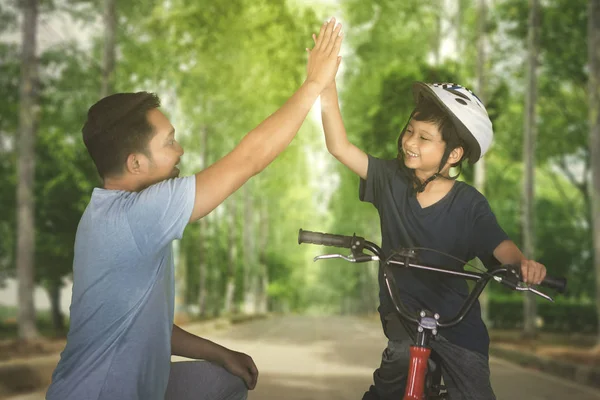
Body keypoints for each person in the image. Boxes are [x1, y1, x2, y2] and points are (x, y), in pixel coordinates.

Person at [46, 18, 343, 400]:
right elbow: (247, 159)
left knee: (222, 379)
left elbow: (148, 327)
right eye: (169, 142)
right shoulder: (135, 217)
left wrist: (223, 353)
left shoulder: (112, 214)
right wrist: (314, 84)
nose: (180, 150)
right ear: (136, 163)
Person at [319, 78, 547, 399]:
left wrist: (521, 264)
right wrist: (326, 85)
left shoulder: (469, 204)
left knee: (474, 389)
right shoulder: (389, 180)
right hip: (403, 312)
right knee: (397, 363)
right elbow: (339, 147)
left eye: (425, 137)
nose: (410, 141)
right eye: (410, 131)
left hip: (457, 321)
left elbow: (500, 245)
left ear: (453, 154)